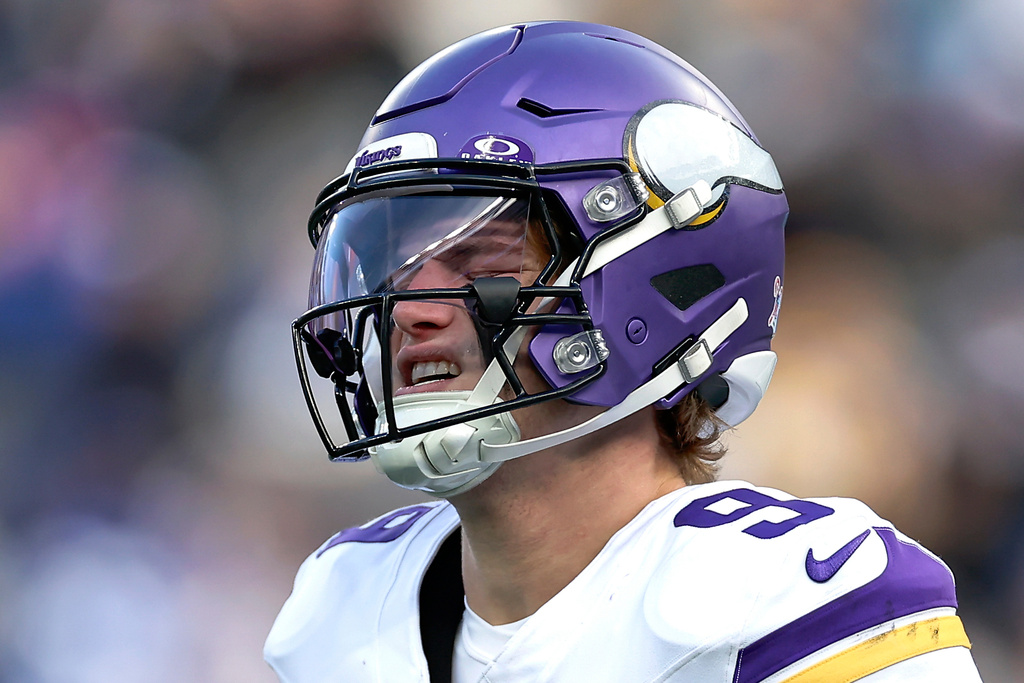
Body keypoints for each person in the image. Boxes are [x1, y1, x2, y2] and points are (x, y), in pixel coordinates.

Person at [264, 21, 982, 682]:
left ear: (653, 280)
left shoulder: (788, 603)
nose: (410, 310)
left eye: (482, 260)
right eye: (390, 267)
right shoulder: (344, 609)